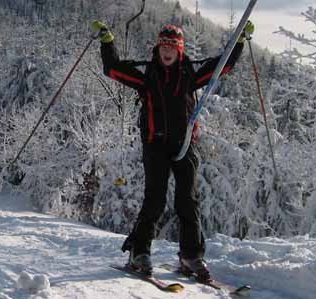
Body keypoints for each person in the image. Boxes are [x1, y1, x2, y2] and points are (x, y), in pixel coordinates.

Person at [90, 19, 254, 281]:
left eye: (172, 46)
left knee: (187, 201)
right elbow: (113, 69)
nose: (167, 51)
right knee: (154, 199)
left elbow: (222, 65)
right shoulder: (147, 77)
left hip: (186, 143)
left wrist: (240, 42)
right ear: (158, 48)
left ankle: (191, 256)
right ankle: (139, 253)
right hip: (155, 144)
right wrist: (107, 42)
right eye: (164, 45)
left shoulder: (189, 76)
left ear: (179, 50)